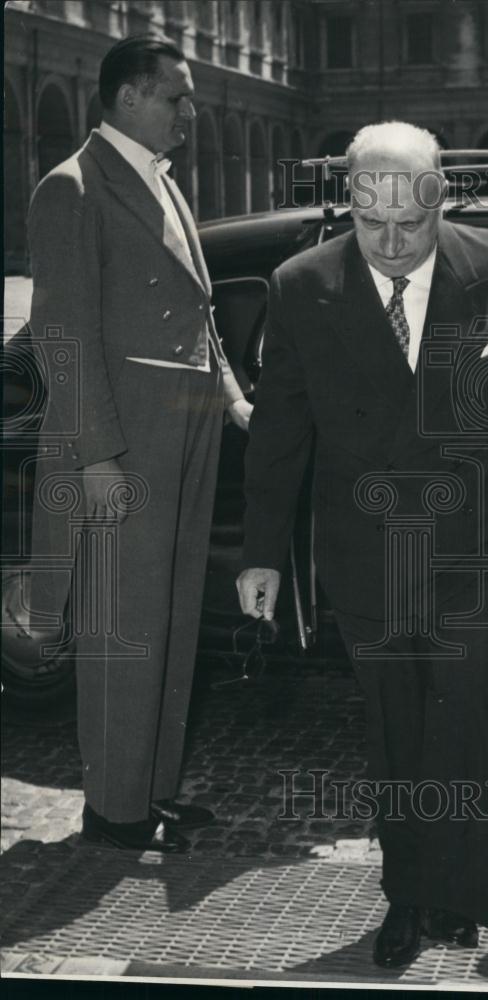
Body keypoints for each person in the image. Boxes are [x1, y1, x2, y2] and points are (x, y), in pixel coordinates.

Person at [237, 122, 488, 967]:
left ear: (442, 199)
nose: (395, 246)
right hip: (370, 547)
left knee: (467, 715)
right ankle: (407, 892)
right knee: (395, 723)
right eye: (374, 227)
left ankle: (460, 895)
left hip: (484, 536)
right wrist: (261, 554)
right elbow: (281, 429)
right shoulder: (301, 285)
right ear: (349, 207)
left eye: (413, 225)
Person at [28, 35, 252, 853]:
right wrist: (92, 455)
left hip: (185, 428)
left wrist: (232, 396)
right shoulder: (73, 188)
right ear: (127, 97)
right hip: (123, 439)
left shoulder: (162, 182)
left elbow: (200, 313)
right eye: (176, 99)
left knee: (171, 619)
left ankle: (150, 790)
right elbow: (61, 333)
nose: (190, 114)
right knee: (126, 627)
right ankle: (115, 814)